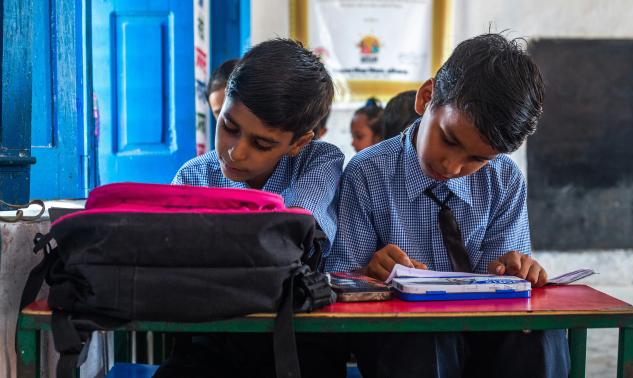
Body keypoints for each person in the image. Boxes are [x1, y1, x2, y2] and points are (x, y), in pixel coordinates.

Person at [325, 33, 569, 378]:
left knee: (539, 334)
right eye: (449, 139)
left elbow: (508, 293)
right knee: (425, 335)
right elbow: (341, 284)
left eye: (477, 159)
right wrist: (367, 274)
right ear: (427, 98)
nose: (452, 167)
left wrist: (516, 270)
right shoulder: (367, 173)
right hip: (404, 340)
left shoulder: (504, 180)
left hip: (482, 335)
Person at [160, 38, 346, 378]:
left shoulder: (319, 160)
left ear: (299, 143)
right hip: (213, 336)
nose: (236, 152)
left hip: (299, 336)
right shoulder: (193, 175)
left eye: (261, 143)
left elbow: (292, 230)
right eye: (229, 127)